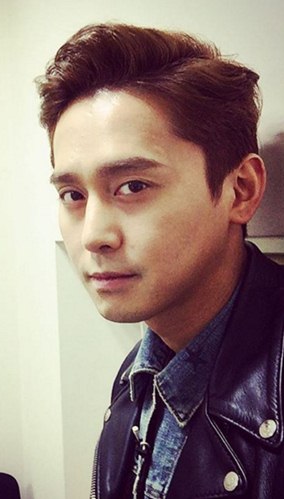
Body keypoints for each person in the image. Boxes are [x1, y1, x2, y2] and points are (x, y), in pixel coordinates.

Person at [36, 23, 284, 498]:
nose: (93, 236)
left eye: (133, 186)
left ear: (240, 190)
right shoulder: (136, 377)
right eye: (72, 194)